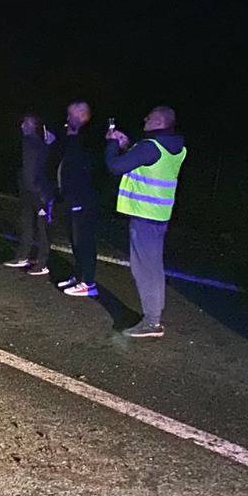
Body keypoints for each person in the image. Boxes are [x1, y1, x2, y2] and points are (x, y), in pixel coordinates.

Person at [105, 105, 187, 338]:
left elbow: (115, 166)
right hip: (160, 215)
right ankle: (154, 316)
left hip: (144, 215)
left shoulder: (150, 147)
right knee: (154, 268)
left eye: (149, 117)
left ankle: (152, 322)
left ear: (159, 122)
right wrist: (127, 146)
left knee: (143, 269)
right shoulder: (176, 147)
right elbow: (145, 162)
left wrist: (112, 144)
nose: (145, 119)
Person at [52, 101, 101, 297]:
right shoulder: (73, 137)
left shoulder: (88, 138)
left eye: (71, 115)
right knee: (75, 239)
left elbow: (82, 167)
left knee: (84, 240)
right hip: (72, 197)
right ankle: (79, 275)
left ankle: (88, 282)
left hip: (84, 198)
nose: (67, 119)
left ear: (82, 116)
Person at [3, 114, 55, 275]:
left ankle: (42, 263)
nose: (22, 126)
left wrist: (41, 194)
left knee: (42, 228)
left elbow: (44, 168)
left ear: (33, 126)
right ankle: (22, 256)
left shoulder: (38, 144)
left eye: (26, 123)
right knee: (26, 223)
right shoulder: (29, 143)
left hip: (39, 192)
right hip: (27, 190)